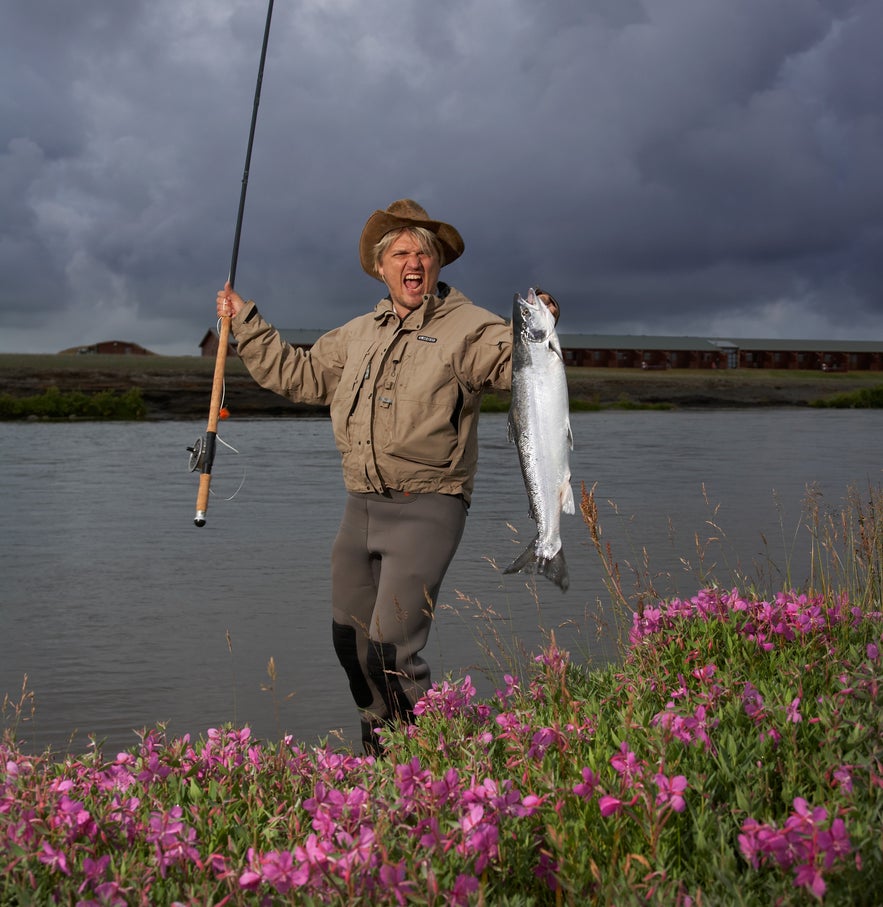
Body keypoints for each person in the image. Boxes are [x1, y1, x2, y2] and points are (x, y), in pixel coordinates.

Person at [216, 199, 559, 755]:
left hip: (429, 509)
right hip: (361, 509)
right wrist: (245, 323)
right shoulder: (357, 334)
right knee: (349, 645)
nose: (414, 262)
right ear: (381, 267)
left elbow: (508, 362)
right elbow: (299, 375)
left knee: (390, 654)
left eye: (424, 252)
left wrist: (539, 323)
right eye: (401, 252)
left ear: (439, 263)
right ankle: (377, 766)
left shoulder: (470, 327)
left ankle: (421, 766)